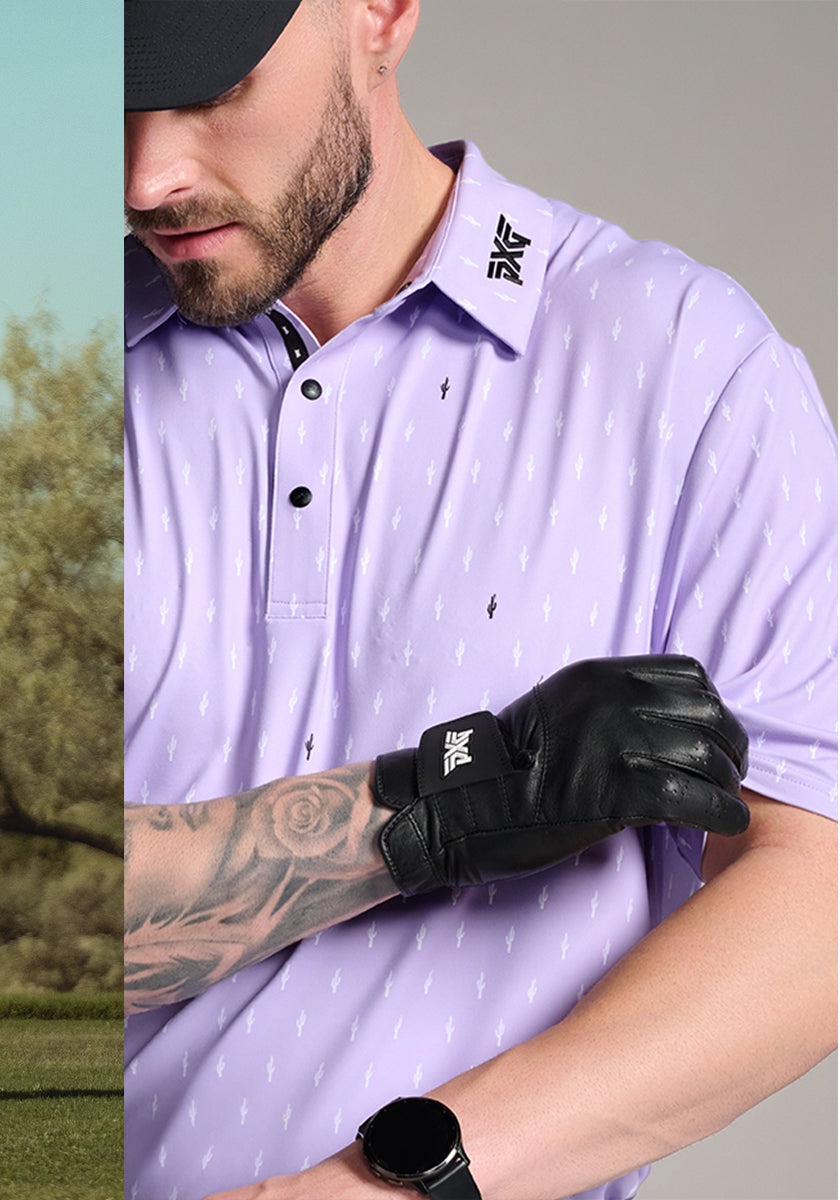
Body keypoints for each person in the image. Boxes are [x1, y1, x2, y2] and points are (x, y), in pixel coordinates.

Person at [117, 2, 837, 1198]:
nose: (150, 173)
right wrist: (439, 803)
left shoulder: (680, 363)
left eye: (211, 89)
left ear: (383, 12)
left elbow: (815, 895)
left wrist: (389, 1187)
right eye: (112, 96)